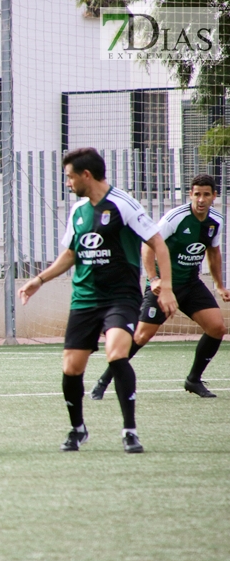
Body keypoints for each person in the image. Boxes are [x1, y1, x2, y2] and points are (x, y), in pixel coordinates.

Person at [18, 147, 178, 454]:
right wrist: (39, 280)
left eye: (69, 177)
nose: (67, 183)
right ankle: (77, 429)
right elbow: (70, 254)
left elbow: (157, 242)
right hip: (84, 300)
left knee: (117, 353)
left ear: (86, 175)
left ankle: (130, 431)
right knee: (71, 368)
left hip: (120, 297)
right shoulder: (79, 211)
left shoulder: (123, 204)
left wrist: (166, 286)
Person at [91, 174, 229, 400]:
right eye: (196, 194)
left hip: (190, 284)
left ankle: (193, 380)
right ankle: (105, 379)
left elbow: (213, 252)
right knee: (141, 336)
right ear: (190, 195)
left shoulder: (216, 221)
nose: (201, 199)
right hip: (164, 285)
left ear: (214, 196)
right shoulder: (176, 218)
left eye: (206, 194)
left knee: (217, 328)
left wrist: (219, 285)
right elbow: (149, 246)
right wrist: (154, 279)